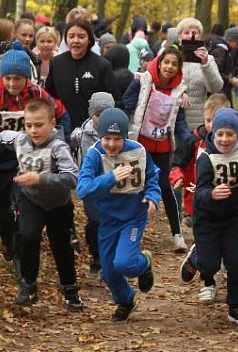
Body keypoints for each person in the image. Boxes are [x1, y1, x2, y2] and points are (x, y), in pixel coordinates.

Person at [0, 99, 83, 309]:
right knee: (27, 236)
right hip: (30, 199)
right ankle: (28, 285)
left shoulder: (58, 147)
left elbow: (73, 177)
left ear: (52, 123)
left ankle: (70, 288)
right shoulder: (19, 140)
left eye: (39, 125)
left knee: (61, 246)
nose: (33, 131)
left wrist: (40, 178)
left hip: (58, 203)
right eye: (29, 125)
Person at [0, 44, 69, 266]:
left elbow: (61, 114)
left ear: (26, 77)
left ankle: (20, 249)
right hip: (0, 161)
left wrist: (58, 143)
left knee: (24, 207)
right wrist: (4, 141)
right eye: (8, 78)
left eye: (18, 78)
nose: (13, 83)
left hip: (31, 161)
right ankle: (6, 238)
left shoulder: (37, 94)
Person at [76, 108, 160, 321]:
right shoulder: (94, 155)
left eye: (117, 139)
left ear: (125, 136)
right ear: (99, 135)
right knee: (108, 272)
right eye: (107, 138)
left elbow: (152, 175)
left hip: (133, 216)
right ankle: (126, 300)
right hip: (108, 219)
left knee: (124, 264)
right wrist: (110, 178)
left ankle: (144, 263)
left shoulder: (138, 150)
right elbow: (82, 189)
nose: (111, 144)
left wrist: (152, 196)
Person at [191, 108, 238, 325]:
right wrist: (212, 194)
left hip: (231, 217)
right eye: (220, 134)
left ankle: (236, 307)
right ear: (213, 133)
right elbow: (199, 193)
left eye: (229, 134)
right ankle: (196, 258)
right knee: (210, 266)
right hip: (206, 219)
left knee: (236, 264)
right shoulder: (206, 157)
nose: (224, 139)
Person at [123, 48, 190, 252]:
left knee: (165, 186)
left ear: (179, 68)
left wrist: (189, 140)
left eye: (174, 64)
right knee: (134, 186)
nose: (169, 67)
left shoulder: (180, 90)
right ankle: (131, 233)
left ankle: (177, 234)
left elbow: (180, 122)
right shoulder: (141, 81)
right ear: (159, 63)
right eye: (166, 62)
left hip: (162, 145)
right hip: (139, 142)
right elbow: (127, 104)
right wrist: (120, 130)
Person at [44, 17, 122, 130]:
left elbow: (117, 101)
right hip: (63, 128)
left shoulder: (102, 65)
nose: (76, 40)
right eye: (71, 36)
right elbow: (49, 97)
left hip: (93, 130)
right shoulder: (56, 63)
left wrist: (102, 116)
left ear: (89, 39)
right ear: (66, 39)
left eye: (81, 37)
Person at [70, 92, 116, 276]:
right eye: (98, 114)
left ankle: (110, 256)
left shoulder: (119, 132)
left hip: (113, 183)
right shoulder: (80, 134)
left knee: (111, 219)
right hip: (90, 184)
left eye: (106, 113)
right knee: (95, 219)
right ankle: (96, 256)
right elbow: (72, 153)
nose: (101, 118)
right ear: (91, 114)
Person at [170, 93, 231, 230]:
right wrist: (177, 178)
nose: (210, 125)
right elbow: (178, 162)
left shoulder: (233, 143)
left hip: (224, 200)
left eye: (214, 120)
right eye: (207, 120)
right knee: (204, 236)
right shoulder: (194, 140)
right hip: (196, 197)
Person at [174, 17, 224, 130]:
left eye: (194, 33)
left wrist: (205, 64)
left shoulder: (208, 59)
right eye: (186, 32)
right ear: (179, 37)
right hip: (174, 119)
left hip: (198, 122)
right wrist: (180, 90)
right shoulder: (172, 57)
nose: (190, 35)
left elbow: (216, 88)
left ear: (199, 36)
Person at [208, 24, 234, 100]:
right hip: (221, 90)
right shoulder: (220, 48)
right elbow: (216, 71)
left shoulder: (211, 44)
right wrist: (229, 80)